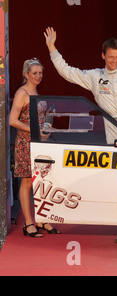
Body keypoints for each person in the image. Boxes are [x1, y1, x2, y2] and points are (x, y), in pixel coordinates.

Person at [43, 27, 117, 146]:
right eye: (111, 57)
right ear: (103, 55)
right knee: (116, 163)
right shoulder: (95, 76)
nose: (114, 61)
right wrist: (51, 47)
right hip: (111, 125)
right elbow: (68, 72)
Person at [9, 58, 61, 237]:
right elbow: (12, 120)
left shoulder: (35, 91)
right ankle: (28, 223)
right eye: (35, 73)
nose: (38, 76)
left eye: (40, 73)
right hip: (25, 143)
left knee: (40, 181)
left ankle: (41, 219)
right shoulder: (22, 93)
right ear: (26, 74)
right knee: (26, 182)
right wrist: (35, 129)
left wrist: (46, 125)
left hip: (39, 143)